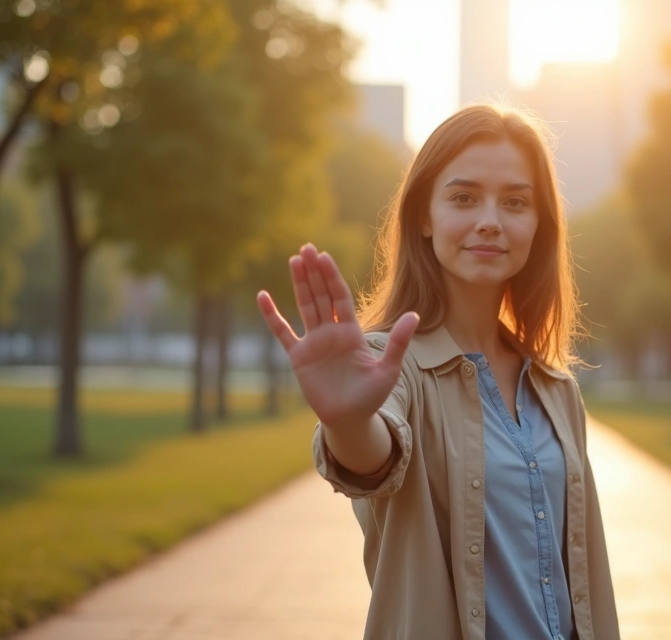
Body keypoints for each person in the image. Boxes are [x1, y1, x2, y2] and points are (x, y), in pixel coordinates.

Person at [255, 104, 619, 640]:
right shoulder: (387, 365)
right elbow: (373, 455)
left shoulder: (556, 388)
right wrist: (349, 420)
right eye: (464, 197)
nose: (490, 219)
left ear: (540, 224)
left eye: (516, 202)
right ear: (423, 215)